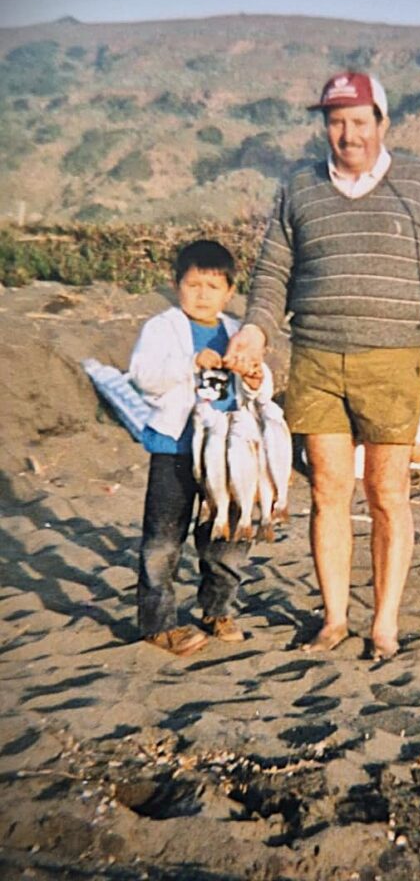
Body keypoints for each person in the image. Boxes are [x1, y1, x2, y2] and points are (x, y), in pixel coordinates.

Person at [225, 71, 420, 659]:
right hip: (316, 355)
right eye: (336, 121)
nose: (348, 134)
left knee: (388, 491)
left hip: (394, 358)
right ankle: (335, 619)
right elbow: (272, 275)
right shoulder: (298, 188)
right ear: (325, 126)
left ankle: (384, 625)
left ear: (382, 123)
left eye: (359, 121)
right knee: (328, 490)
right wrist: (254, 330)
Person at [130, 239, 255, 656]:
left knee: (229, 537)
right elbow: (143, 377)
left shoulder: (237, 331)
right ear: (176, 284)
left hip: (226, 452)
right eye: (194, 284)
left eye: (213, 286)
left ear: (230, 292)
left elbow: (258, 389)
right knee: (163, 541)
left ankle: (216, 608)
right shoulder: (161, 328)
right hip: (174, 447)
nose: (203, 294)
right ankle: (158, 622)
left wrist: (255, 377)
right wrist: (190, 363)